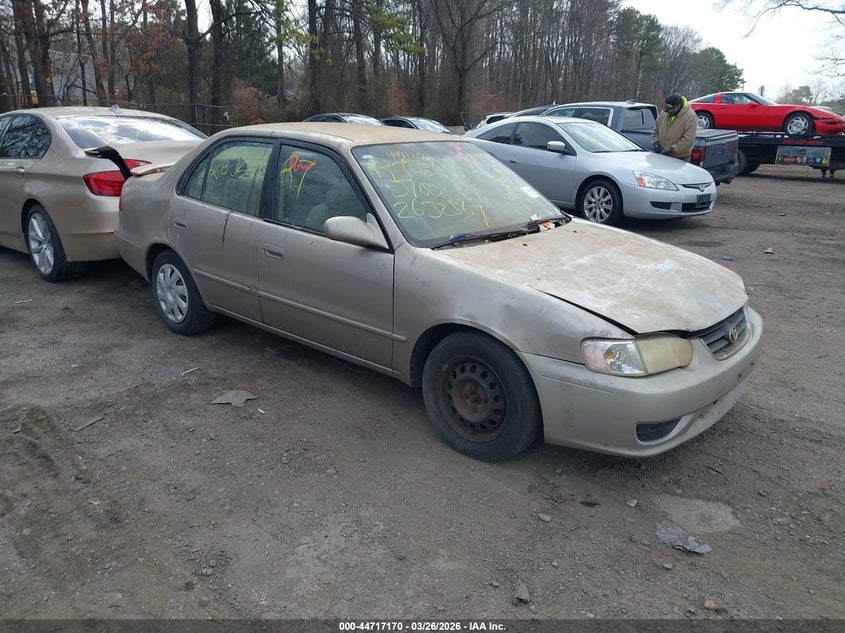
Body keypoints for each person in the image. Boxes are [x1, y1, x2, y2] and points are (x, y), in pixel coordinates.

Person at [652, 94, 697, 162]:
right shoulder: (664, 113)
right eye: (667, 109)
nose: (669, 112)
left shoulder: (691, 117)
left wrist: (673, 149)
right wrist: (656, 143)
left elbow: (688, 139)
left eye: (671, 110)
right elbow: (655, 130)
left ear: (678, 106)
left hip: (681, 158)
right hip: (662, 156)